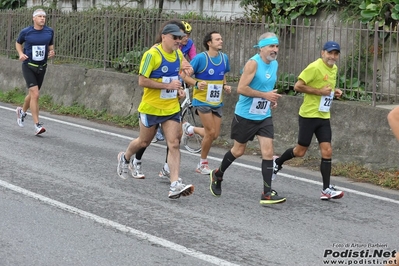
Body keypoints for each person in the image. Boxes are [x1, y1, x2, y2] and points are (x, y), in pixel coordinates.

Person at [117, 23, 194, 199]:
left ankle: (175, 184)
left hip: (171, 108)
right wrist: (167, 86)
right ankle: (125, 157)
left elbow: (176, 77)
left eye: (180, 38)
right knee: (143, 142)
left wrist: (179, 89)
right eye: (175, 37)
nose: (178, 41)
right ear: (164, 36)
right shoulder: (152, 55)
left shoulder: (178, 55)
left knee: (174, 142)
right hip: (151, 107)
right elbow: (142, 81)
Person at [209, 32, 286, 204]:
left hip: (263, 115)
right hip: (245, 115)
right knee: (238, 151)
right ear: (261, 48)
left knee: (268, 152)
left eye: (276, 46)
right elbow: (241, 89)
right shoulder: (253, 64)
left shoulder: (274, 64)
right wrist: (264, 95)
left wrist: (270, 100)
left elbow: (267, 88)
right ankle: (218, 174)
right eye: (271, 46)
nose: (275, 50)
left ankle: (267, 192)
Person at [273, 41, 344, 200]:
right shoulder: (314, 67)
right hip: (309, 115)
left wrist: (334, 91)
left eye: (336, 53)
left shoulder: (334, 69)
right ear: (322, 53)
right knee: (300, 151)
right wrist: (319, 92)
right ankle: (277, 162)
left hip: (324, 116)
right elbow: (298, 86)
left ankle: (326, 189)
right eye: (330, 53)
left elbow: (326, 88)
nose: (333, 56)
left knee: (327, 150)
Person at [181, 31, 231, 175]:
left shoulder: (224, 58)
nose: (221, 41)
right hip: (202, 100)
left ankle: (189, 129)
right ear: (209, 43)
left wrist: (225, 86)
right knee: (210, 132)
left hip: (217, 101)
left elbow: (223, 75)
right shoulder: (200, 59)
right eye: (217, 39)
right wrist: (196, 83)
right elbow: (184, 75)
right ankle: (202, 163)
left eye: (221, 39)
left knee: (214, 135)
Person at [15, 8, 55, 135]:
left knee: (33, 94)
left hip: (42, 66)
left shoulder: (49, 31)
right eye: (39, 16)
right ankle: (37, 125)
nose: (42, 18)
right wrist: (21, 53)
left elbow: (50, 45)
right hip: (28, 65)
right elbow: (18, 43)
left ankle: (22, 111)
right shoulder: (26, 32)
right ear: (34, 18)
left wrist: (51, 51)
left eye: (44, 16)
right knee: (35, 94)